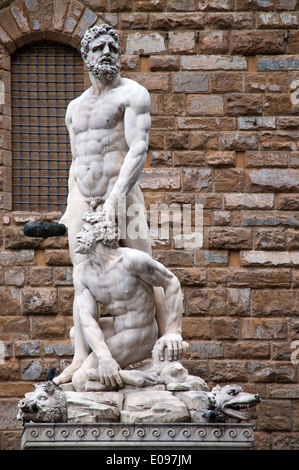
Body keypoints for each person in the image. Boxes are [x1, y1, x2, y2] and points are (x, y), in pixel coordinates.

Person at [55, 24, 166, 386]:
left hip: (123, 194)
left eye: (112, 47)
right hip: (82, 199)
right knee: (82, 277)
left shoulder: (132, 94)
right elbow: (77, 159)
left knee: (146, 269)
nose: (106, 52)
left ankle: (165, 347)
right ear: (86, 56)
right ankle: (80, 358)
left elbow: (138, 147)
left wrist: (117, 196)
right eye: (98, 47)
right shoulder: (74, 108)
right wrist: (71, 205)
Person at [66, 208, 187, 392]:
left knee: (81, 380)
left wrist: (173, 331)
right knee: (77, 334)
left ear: (100, 233)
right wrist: (105, 357)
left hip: (141, 333)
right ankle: (132, 376)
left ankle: (129, 377)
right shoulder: (83, 273)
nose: (79, 235)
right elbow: (88, 319)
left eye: (85, 231)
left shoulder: (132, 260)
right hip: (118, 329)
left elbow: (171, 282)